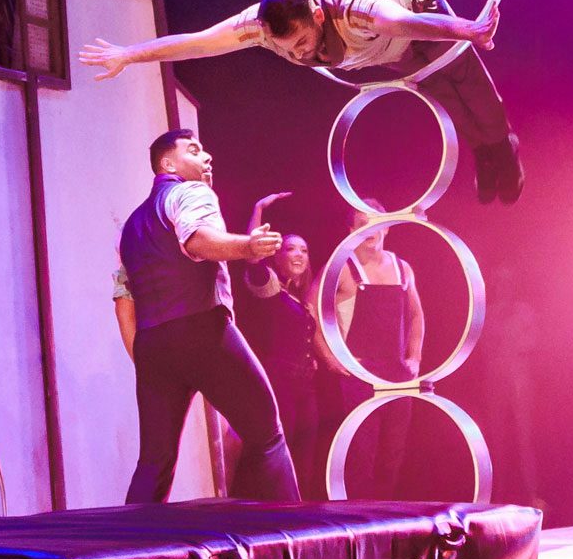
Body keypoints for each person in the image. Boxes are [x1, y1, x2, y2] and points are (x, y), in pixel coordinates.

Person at [79, 0, 524, 204]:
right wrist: (129, 54)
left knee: (463, 79)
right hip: (386, 52)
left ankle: (502, 147)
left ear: (316, 16)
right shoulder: (262, 26)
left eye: (302, 44)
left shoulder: (353, 8)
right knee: (444, 98)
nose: (297, 57)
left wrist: (467, 29)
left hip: (414, 9)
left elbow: (402, 20)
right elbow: (197, 44)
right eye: (286, 50)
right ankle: (485, 150)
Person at [113, 130, 302, 504]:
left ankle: (127, 552)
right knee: (266, 434)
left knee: (154, 460)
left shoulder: (131, 227)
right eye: (194, 151)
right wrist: (247, 245)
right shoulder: (190, 192)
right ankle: (296, 542)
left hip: (153, 345)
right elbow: (198, 240)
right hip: (202, 330)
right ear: (167, 164)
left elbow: (124, 298)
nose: (207, 157)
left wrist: (145, 360)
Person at [238, 192, 330, 500]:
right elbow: (252, 258)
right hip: (279, 384)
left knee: (304, 459)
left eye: (304, 250)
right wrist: (258, 209)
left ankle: (297, 518)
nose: (300, 255)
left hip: (306, 387)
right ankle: (269, 516)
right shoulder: (269, 290)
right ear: (278, 256)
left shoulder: (299, 300)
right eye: (291, 249)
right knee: (280, 455)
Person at [331, 203, 424, 498]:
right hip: (360, 372)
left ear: (386, 227)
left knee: (393, 453)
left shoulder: (402, 267)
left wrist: (414, 357)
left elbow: (416, 315)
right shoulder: (343, 268)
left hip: (397, 373)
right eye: (361, 223)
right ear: (351, 231)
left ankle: (387, 519)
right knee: (362, 452)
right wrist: (332, 359)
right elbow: (312, 308)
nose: (368, 229)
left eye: (375, 222)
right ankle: (363, 521)